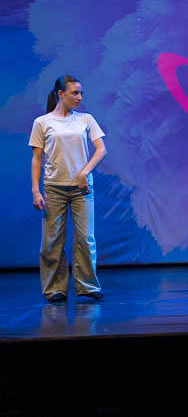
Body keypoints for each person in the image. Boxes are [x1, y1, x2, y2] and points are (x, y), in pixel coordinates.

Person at [29, 76, 107, 302]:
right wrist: (35, 190)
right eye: (75, 93)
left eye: (81, 93)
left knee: (85, 239)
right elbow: (36, 159)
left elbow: (101, 149)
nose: (79, 97)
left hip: (82, 189)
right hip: (54, 188)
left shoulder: (85, 119)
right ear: (60, 94)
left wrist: (84, 172)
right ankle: (54, 288)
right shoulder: (42, 122)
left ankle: (87, 285)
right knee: (52, 241)